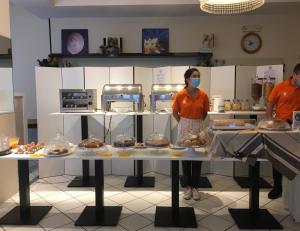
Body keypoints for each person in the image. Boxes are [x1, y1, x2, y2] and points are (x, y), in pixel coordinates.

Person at [172, 68, 209, 200]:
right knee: (186, 156)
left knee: (198, 156)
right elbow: (175, 112)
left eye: (198, 76)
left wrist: (197, 124)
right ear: (187, 79)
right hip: (184, 125)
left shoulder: (203, 95)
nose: (196, 78)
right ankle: (188, 186)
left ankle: (195, 187)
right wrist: (182, 123)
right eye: (194, 76)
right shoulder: (180, 95)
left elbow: (204, 113)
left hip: (198, 125)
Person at [266, 63, 300, 199]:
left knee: (295, 157)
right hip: (280, 126)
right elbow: (269, 105)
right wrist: (270, 122)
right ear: (295, 74)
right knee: (278, 158)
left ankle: (293, 187)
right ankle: (277, 187)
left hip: (297, 127)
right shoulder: (280, 87)